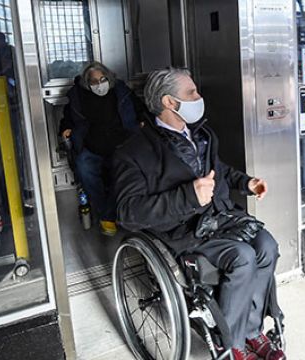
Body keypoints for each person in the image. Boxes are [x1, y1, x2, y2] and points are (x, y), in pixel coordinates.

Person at [111, 68, 286, 360]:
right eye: (191, 93)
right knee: (242, 257)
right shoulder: (134, 152)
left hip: (222, 219)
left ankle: (252, 332)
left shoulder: (201, 134)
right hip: (183, 231)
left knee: (267, 246)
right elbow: (128, 212)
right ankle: (230, 344)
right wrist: (189, 195)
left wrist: (247, 183)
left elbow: (221, 171)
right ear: (169, 102)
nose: (198, 97)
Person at [60, 62, 147, 236]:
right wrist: (65, 129)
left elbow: (140, 109)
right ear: (87, 83)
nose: (99, 84)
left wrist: (143, 120)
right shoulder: (79, 97)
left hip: (122, 145)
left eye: (102, 79)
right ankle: (106, 213)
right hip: (93, 146)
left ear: (109, 78)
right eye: (94, 81)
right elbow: (67, 118)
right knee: (84, 169)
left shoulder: (121, 92)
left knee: (125, 172)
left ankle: (109, 215)